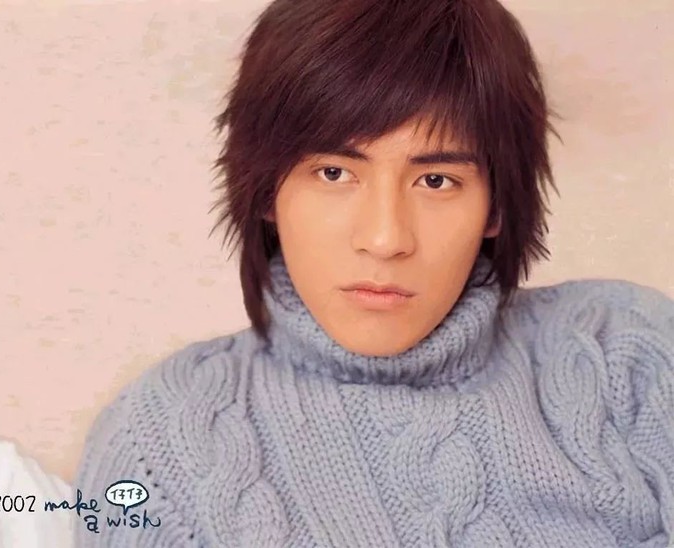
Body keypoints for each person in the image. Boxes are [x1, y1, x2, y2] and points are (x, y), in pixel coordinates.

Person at [72, 0, 674, 546]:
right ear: (266, 190)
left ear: (495, 206)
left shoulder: (627, 354)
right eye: (334, 173)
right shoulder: (161, 438)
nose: (386, 239)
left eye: (436, 181)